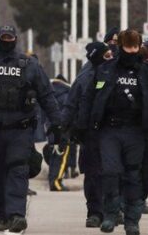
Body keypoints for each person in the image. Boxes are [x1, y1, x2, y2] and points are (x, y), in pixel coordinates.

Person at [0, 25, 62, 233]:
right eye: (4, 37)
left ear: (15, 39)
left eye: (10, 37)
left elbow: (47, 96)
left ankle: (17, 215)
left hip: (20, 130)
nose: (7, 40)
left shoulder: (30, 65)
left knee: (17, 170)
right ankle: (1, 217)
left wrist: (57, 124)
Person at [81, 29, 147, 235]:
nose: (131, 51)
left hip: (136, 131)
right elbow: (89, 98)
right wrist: (82, 126)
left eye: (135, 47)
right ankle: (110, 214)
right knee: (110, 172)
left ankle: (132, 221)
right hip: (109, 130)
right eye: (128, 47)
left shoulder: (145, 72)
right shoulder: (106, 69)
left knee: (133, 176)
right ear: (120, 47)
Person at [67, 41, 111, 228]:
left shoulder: (118, 73)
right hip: (91, 133)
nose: (111, 57)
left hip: (113, 132)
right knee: (93, 174)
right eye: (106, 55)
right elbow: (72, 104)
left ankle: (114, 210)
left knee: (115, 172)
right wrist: (66, 129)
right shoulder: (85, 78)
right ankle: (95, 212)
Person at [47, 74, 71, 192]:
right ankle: (56, 182)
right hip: (62, 130)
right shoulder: (67, 94)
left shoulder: (50, 93)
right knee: (61, 157)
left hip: (52, 129)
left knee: (54, 156)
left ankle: (52, 179)